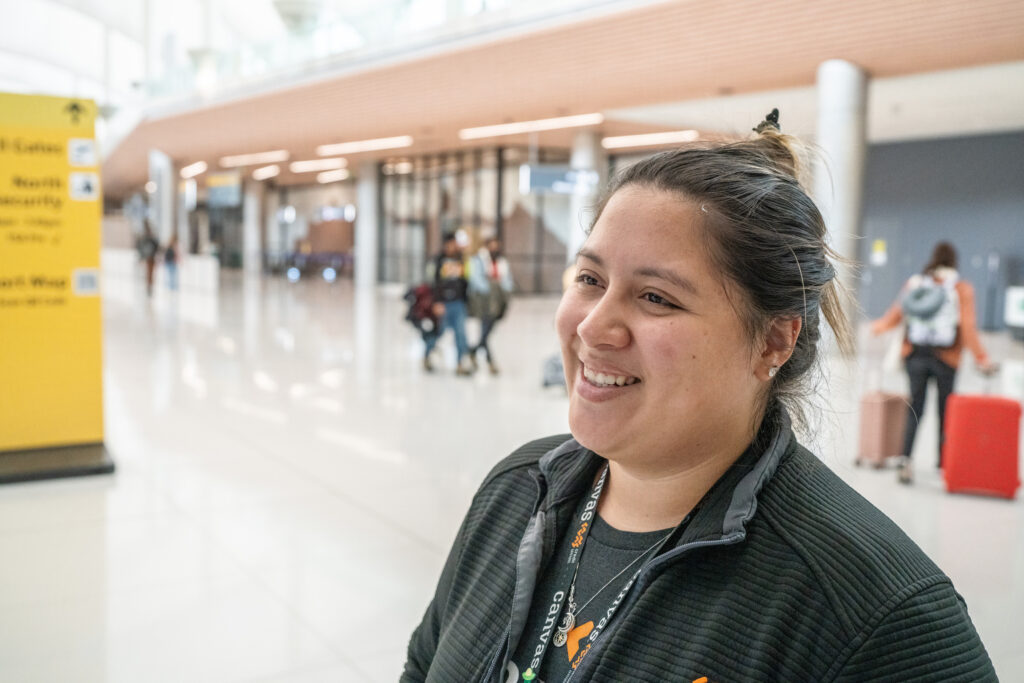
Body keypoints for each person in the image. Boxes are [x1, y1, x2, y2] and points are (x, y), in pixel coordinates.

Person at [402, 111, 995, 682]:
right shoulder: (517, 491)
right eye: (590, 280)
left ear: (772, 342)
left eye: (656, 297)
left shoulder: (880, 621)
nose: (592, 328)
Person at [871, 242, 996, 484]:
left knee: (914, 408)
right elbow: (968, 328)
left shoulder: (916, 283)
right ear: (954, 262)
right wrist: (982, 357)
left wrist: (878, 328)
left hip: (916, 355)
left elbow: (897, 314)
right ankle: (943, 464)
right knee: (945, 411)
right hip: (946, 358)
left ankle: (905, 461)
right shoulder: (961, 288)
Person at [424, 233, 473, 375]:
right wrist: (436, 302)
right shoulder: (438, 261)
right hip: (443, 303)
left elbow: (465, 281)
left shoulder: (462, 260)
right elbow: (433, 283)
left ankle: (459, 363)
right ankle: (427, 354)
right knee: (439, 332)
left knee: (460, 334)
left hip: (458, 303)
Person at [468, 237, 515, 374]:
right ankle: (490, 362)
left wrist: (503, 289)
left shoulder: (502, 262)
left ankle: (473, 350)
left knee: (486, 331)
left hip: (498, 300)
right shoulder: (478, 260)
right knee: (485, 329)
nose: (494, 249)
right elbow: (476, 280)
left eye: (497, 246)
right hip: (484, 301)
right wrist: (491, 288)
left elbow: (507, 281)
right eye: (492, 246)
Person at [138, 223, 159, 297]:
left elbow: (156, 247)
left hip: (150, 259)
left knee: (149, 274)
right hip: (148, 259)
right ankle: (148, 288)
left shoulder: (148, 239)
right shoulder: (146, 238)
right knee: (148, 274)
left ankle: (149, 288)